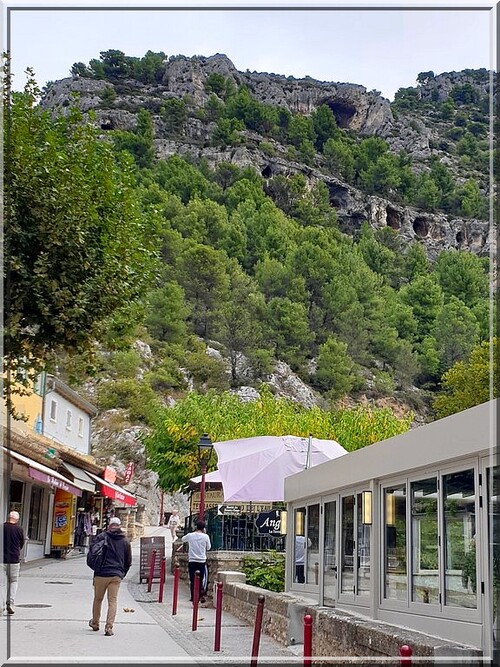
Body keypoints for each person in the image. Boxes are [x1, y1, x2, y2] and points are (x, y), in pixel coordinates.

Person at [88, 517, 132, 636]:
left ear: (109, 526)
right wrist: (122, 574)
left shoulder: (102, 537)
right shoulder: (125, 541)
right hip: (115, 575)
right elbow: (128, 561)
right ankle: (109, 627)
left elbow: (92, 552)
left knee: (98, 599)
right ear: (119, 526)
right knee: (112, 601)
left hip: (101, 573)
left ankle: (95, 623)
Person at [180, 521, 211, 604]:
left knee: (192, 579)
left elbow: (183, 539)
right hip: (201, 560)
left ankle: (193, 597)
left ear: (196, 527)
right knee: (201, 579)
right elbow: (208, 548)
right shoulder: (206, 537)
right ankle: (200, 595)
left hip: (192, 560)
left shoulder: (190, 535)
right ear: (204, 528)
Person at [2, 511, 25, 615]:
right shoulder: (19, 529)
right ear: (16, 520)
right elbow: (22, 543)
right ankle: (10, 604)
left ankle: (0, 606)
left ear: (8, 518)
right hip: (14, 560)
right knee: (13, 581)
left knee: (1, 583)